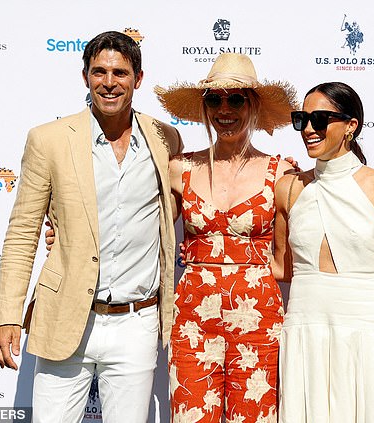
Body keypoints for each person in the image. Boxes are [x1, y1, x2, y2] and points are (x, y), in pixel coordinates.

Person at [0, 31, 182, 423]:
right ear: (85, 77)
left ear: (139, 79)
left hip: (137, 321)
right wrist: (8, 314)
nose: (109, 82)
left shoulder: (166, 139)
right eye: (99, 72)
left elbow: (174, 211)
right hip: (66, 316)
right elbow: (23, 232)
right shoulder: (48, 140)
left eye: (120, 72)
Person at [155, 53, 297, 422]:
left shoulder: (281, 172)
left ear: (253, 105)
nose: (224, 109)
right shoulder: (179, 169)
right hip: (192, 319)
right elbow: (141, 230)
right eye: (214, 99)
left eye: (236, 99)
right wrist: (69, 232)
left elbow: (309, 242)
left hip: (259, 320)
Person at [272, 82, 374, 423]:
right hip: (305, 321)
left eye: (320, 119)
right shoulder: (289, 187)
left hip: (365, 324)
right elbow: (280, 267)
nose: (309, 129)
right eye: (302, 120)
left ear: (351, 126)